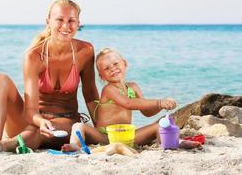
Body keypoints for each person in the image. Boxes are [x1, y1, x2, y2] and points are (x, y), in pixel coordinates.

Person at [0, 0, 99, 152]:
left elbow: (90, 94)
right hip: (30, 120)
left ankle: (4, 146)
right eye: (59, 19)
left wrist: (101, 129)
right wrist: (40, 121)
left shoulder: (85, 51)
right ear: (48, 22)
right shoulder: (34, 56)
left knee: (36, 132)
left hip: (65, 122)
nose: (66, 26)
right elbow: (30, 111)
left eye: (71, 20)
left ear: (78, 23)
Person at [62, 48, 199, 152]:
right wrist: (159, 101)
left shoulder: (133, 87)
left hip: (128, 136)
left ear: (125, 64)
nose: (113, 69)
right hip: (105, 137)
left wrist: (161, 107)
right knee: (77, 126)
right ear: (102, 76)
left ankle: (174, 143)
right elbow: (128, 103)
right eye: (107, 68)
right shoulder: (108, 90)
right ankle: (75, 145)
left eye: (116, 64)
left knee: (159, 126)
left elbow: (146, 112)